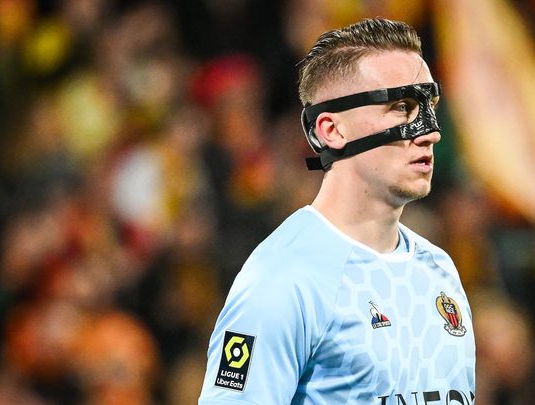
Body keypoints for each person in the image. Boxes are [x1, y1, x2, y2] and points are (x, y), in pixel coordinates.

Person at [198, 17, 476, 404]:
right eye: (402, 107)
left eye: (429, 107)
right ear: (332, 130)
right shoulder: (284, 278)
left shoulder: (439, 270)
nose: (430, 131)